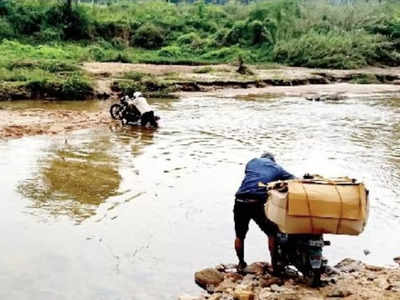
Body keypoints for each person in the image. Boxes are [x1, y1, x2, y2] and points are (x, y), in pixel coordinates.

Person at [234, 152, 295, 272]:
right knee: (272, 233)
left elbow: (252, 177)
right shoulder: (277, 168)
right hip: (256, 202)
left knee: (240, 236)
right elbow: (294, 180)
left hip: (240, 200)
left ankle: (241, 263)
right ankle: (275, 265)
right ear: (273, 161)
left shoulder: (252, 162)